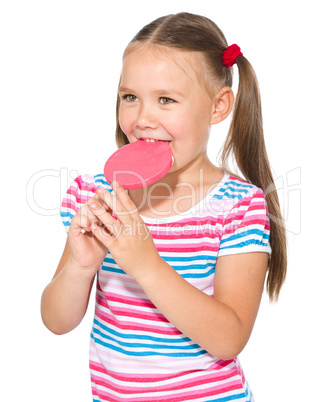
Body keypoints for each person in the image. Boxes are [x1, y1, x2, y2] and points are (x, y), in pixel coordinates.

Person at [41, 12, 287, 401]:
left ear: (218, 107)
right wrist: (80, 266)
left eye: (166, 100)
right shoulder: (97, 194)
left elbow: (229, 338)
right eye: (130, 98)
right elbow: (55, 321)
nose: (142, 119)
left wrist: (145, 263)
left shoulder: (238, 208)